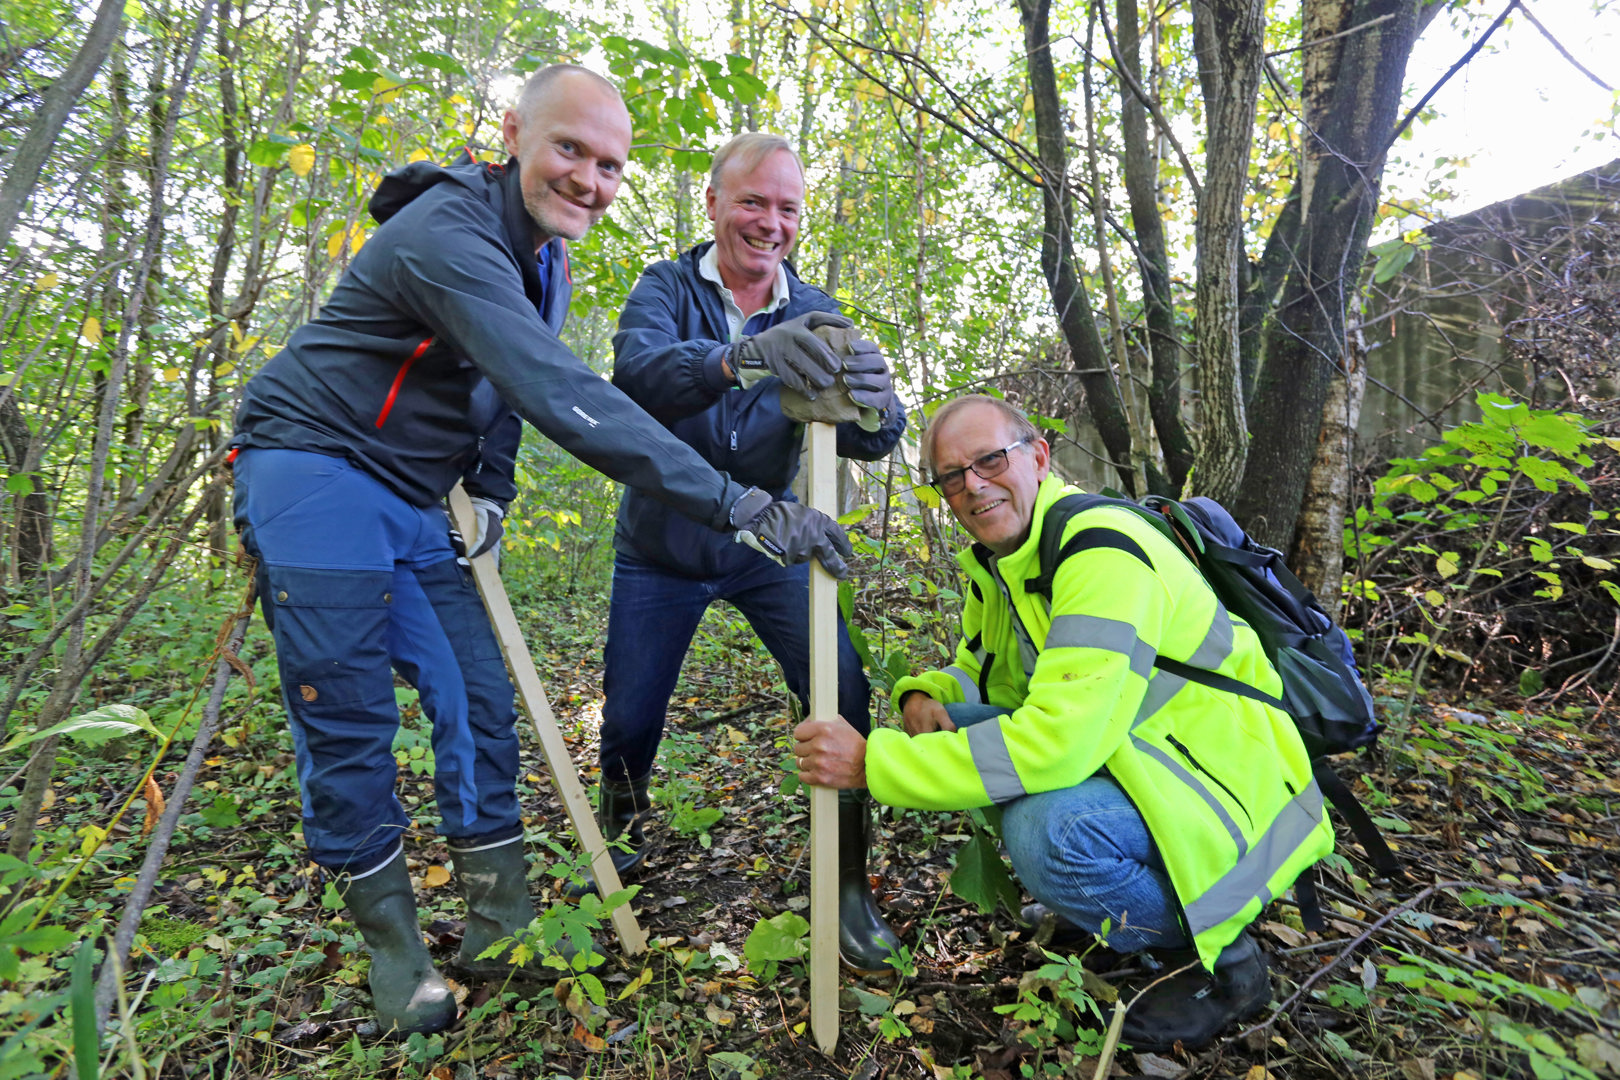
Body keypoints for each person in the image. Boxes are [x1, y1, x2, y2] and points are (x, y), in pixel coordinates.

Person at [228, 68, 853, 1037]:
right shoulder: (448, 232)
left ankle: (501, 922)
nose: (589, 180)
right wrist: (740, 504)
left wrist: (491, 487)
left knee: (478, 696)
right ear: (514, 132)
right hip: (312, 465)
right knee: (348, 714)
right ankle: (396, 950)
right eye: (570, 149)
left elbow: (500, 391)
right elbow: (556, 387)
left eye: (609, 165)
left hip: (416, 493)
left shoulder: (545, 254)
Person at [792, 395, 1334, 1049]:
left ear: (1039, 457)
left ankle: (1221, 960)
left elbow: (1058, 744)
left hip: (1229, 784)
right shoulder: (1007, 558)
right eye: (952, 476)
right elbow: (988, 671)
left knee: (1047, 832)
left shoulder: (1100, 552)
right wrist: (927, 695)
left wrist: (871, 765)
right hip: (1146, 756)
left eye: (990, 460)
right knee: (956, 729)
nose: (973, 485)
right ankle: (1105, 901)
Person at [589, 132, 906, 973]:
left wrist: (881, 408)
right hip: (662, 545)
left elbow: (866, 438)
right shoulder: (665, 288)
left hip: (769, 543)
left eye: (787, 208)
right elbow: (637, 378)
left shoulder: (817, 306)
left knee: (841, 686)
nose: (771, 223)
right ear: (714, 204)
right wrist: (737, 358)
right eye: (753, 202)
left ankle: (846, 882)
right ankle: (618, 836)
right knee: (628, 716)